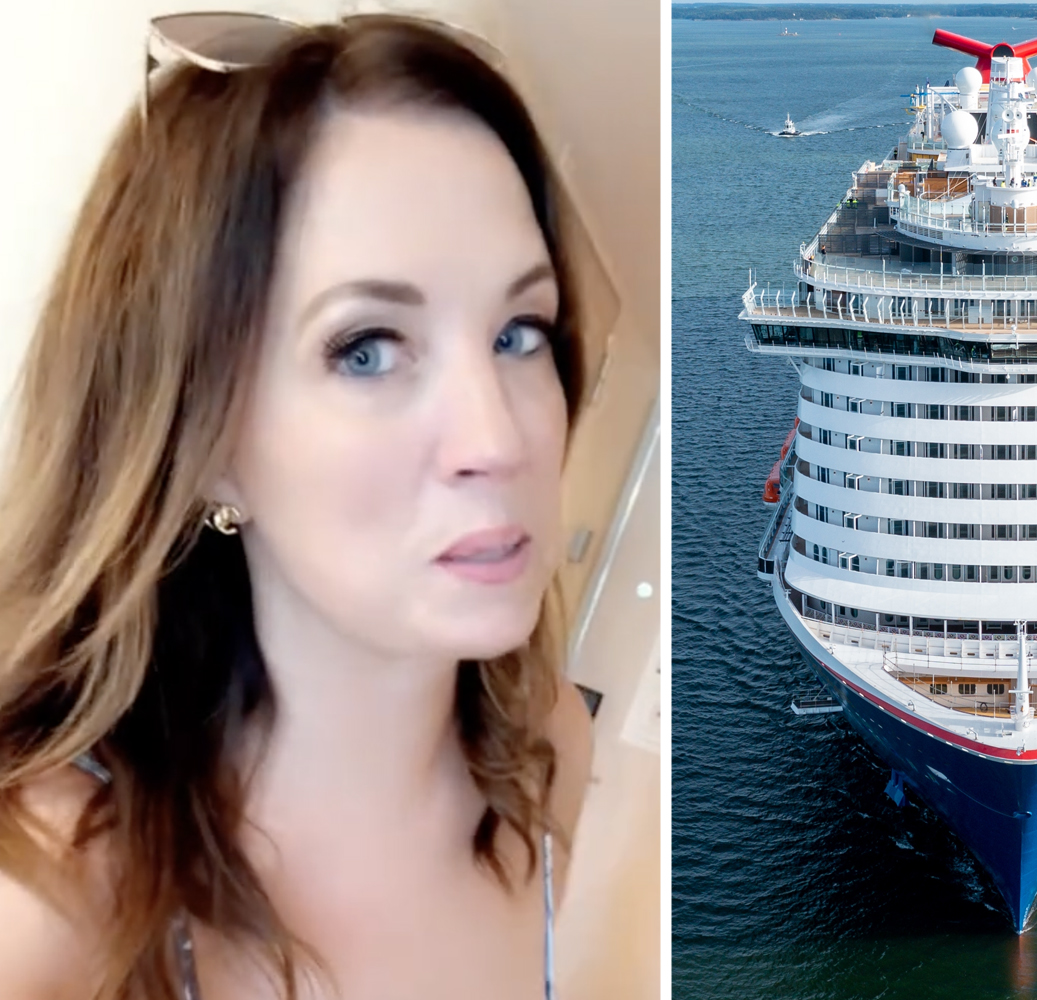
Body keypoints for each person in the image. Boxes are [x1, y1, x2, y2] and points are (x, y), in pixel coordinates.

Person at [0, 15, 593, 998]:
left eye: (520, 330)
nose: (497, 438)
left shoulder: (548, 751)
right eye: (365, 348)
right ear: (203, 447)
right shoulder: (47, 899)